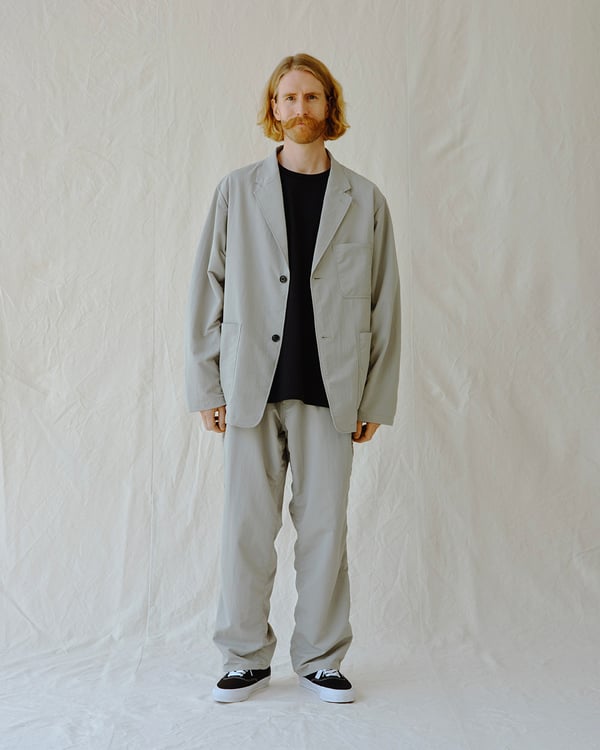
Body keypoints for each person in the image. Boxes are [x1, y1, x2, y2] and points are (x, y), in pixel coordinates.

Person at [184, 53, 401, 704]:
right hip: (250, 384)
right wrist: (206, 385)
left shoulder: (365, 199)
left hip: (333, 388)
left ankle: (320, 658)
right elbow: (208, 288)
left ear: (329, 106)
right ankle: (243, 655)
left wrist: (376, 396)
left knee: (325, 529)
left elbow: (384, 301)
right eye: (288, 98)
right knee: (246, 528)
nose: (299, 108)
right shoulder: (236, 191)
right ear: (272, 109)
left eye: (311, 97)